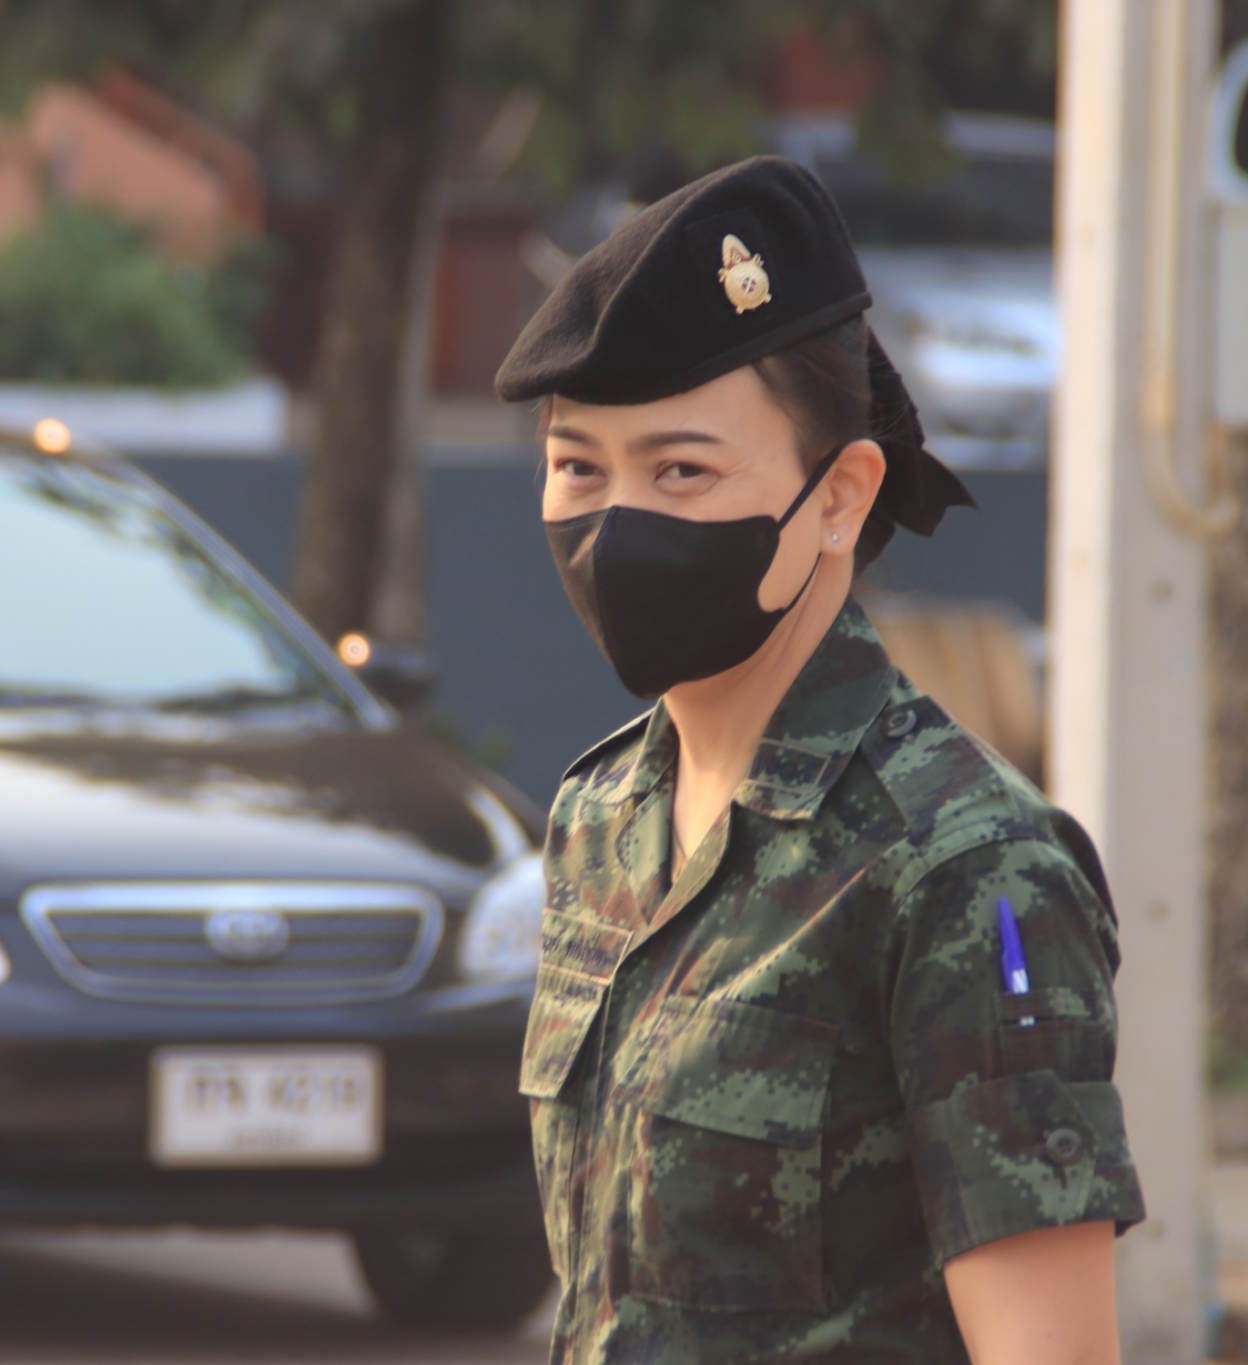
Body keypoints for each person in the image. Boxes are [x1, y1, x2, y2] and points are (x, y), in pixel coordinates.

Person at [495, 157, 1145, 1365]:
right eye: (579, 466)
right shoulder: (598, 820)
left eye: (680, 471)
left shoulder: (963, 871)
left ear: (840, 495)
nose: (614, 523)